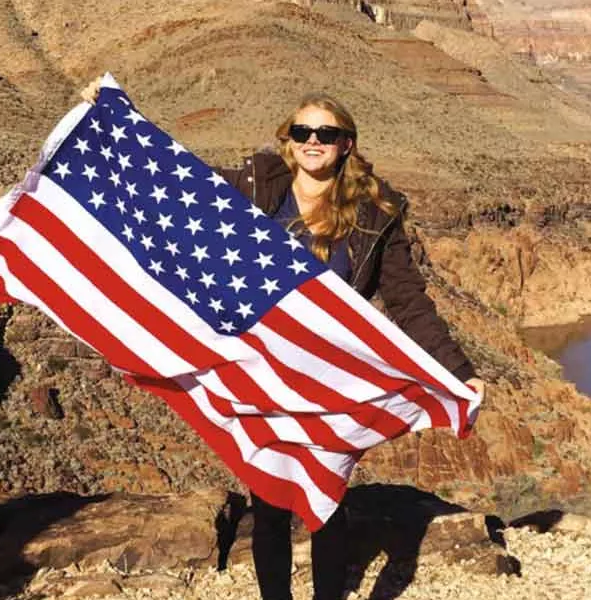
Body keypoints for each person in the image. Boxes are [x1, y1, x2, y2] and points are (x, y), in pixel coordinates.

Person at [82, 82, 484, 600]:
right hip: (261, 369)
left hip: (331, 377)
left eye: (326, 133)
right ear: (288, 142)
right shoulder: (254, 187)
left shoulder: (375, 211)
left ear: (346, 145)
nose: (313, 140)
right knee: (269, 497)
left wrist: (457, 368)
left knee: (326, 498)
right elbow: (180, 188)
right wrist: (121, 120)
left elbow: (408, 301)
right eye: (302, 131)